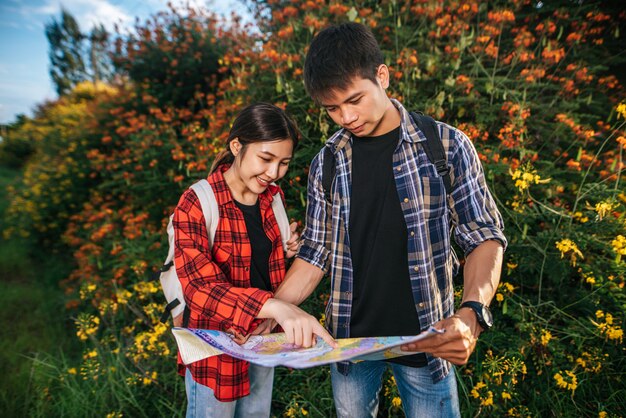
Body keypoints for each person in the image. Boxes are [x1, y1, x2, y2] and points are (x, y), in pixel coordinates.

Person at [273, 23, 507, 417]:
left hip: (428, 341)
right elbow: (314, 254)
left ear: (382, 76)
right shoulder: (326, 163)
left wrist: (472, 313)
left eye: (354, 100)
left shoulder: (446, 145)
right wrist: (267, 311)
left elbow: (482, 235)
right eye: (332, 109)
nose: (346, 117)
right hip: (349, 345)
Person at [173, 103, 335, 418]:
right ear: (237, 146)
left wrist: (287, 250)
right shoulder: (197, 201)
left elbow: (260, 262)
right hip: (215, 352)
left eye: (283, 162)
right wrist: (276, 307)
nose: (274, 173)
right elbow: (199, 288)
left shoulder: (273, 198)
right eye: (265, 159)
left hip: (263, 338)